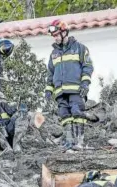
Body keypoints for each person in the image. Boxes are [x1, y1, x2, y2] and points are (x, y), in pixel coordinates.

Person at [45, 19, 94, 151]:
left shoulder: (80, 48)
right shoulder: (53, 54)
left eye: (56, 35)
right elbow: (51, 73)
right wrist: (48, 90)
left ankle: (79, 142)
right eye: (53, 36)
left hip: (76, 89)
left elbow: (87, 67)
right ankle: (69, 142)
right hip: (60, 92)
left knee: (77, 113)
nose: (55, 38)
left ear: (64, 32)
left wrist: (85, 84)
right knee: (64, 116)